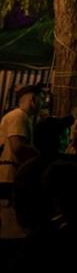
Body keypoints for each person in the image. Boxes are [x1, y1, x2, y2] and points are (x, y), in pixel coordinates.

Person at [0, 84, 43, 240]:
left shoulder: (19, 116)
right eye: (41, 100)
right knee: (11, 224)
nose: (43, 104)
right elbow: (18, 147)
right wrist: (42, 157)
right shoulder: (19, 116)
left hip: (9, 176)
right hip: (9, 177)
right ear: (33, 100)